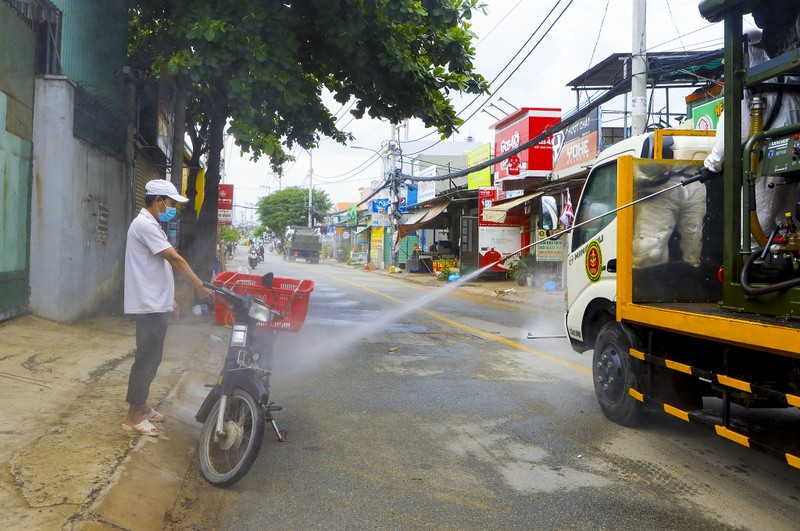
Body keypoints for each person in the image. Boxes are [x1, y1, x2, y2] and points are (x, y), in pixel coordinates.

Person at [122, 179, 212, 436]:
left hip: (155, 302)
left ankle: (142, 406)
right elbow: (174, 259)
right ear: (158, 200)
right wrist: (198, 285)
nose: (172, 208)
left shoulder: (152, 224)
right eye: (171, 203)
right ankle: (133, 416)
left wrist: (168, 298)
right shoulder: (145, 225)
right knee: (146, 359)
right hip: (148, 305)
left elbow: (155, 268)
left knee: (153, 357)